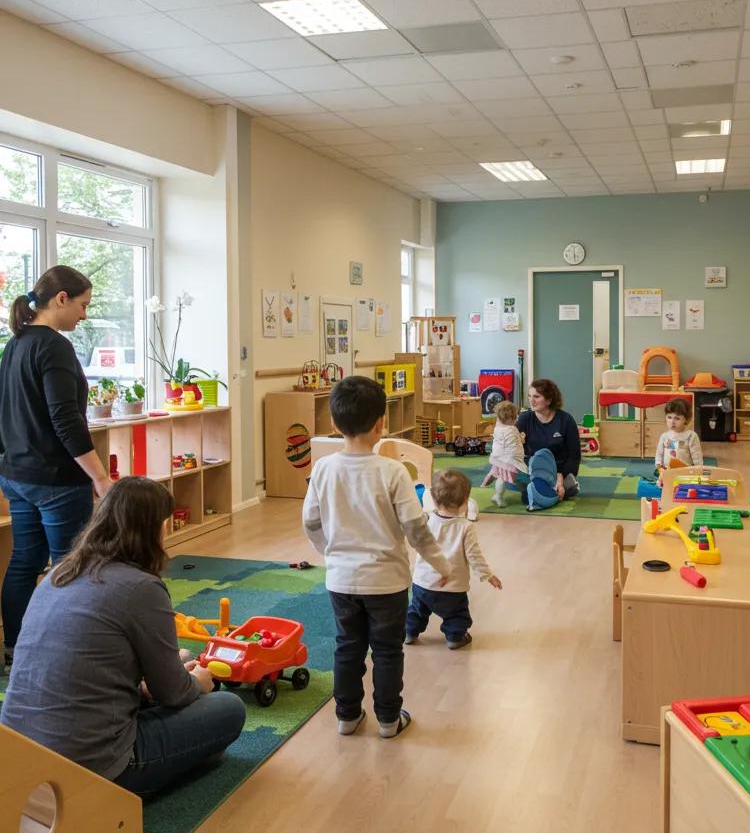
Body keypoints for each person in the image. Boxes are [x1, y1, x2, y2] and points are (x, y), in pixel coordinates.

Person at [0, 478, 246, 795]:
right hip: (94, 767)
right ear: (149, 531)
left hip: (21, 751)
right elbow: (174, 694)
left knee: (180, 659)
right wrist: (199, 682)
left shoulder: (58, 574)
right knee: (228, 707)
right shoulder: (142, 588)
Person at [303, 376, 451, 739]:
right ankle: (388, 719)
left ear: (334, 424)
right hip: (387, 582)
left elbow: (311, 520)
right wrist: (439, 563)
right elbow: (416, 526)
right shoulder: (393, 472)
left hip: (341, 580)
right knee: (386, 651)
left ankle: (347, 716)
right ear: (380, 424)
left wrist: (330, 553)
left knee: (347, 648)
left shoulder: (323, 468)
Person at [0, 265, 113, 669]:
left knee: (25, 561)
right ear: (61, 299)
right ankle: (69, 654)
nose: (84, 314)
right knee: (72, 565)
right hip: (55, 481)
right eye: (83, 305)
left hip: (17, 475)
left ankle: (17, 649)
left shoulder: (15, 345)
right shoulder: (54, 347)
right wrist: (100, 478)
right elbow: (66, 420)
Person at [406, 469, 502, 650]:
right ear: (466, 501)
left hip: (422, 583)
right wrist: (488, 575)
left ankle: (409, 632)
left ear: (433, 500)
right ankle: (455, 637)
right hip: (452, 588)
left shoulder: (427, 520)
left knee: (417, 611)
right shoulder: (466, 527)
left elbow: (417, 542)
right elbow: (474, 556)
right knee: (457, 615)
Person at [515, 378, 581, 502]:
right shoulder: (525, 419)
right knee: (525, 493)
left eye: (536, 396)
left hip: (560, 469)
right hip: (534, 469)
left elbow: (574, 456)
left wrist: (560, 477)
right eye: (529, 396)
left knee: (566, 486)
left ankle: (556, 488)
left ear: (549, 400)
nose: (531, 400)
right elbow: (515, 451)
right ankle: (540, 489)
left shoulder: (566, 420)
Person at [482, 400, 526, 507]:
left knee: (504, 476)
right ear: (510, 418)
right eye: (514, 418)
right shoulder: (512, 429)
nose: (515, 420)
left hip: (498, 458)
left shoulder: (498, 428)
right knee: (503, 478)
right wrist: (523, 437)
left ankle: (496, 485)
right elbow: (519, 442)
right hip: (509, 459)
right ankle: (498, 495)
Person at [654, 397, 703, 486]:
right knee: (663, 487)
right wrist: (660, 468)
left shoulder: (691, 436)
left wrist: (698, 471)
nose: (672, 422)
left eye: (677, 418)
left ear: (686, 420)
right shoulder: (665, 436)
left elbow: (697, 457)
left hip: (686, 473)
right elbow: (659, 454)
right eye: (669, 417)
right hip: (667, 472)